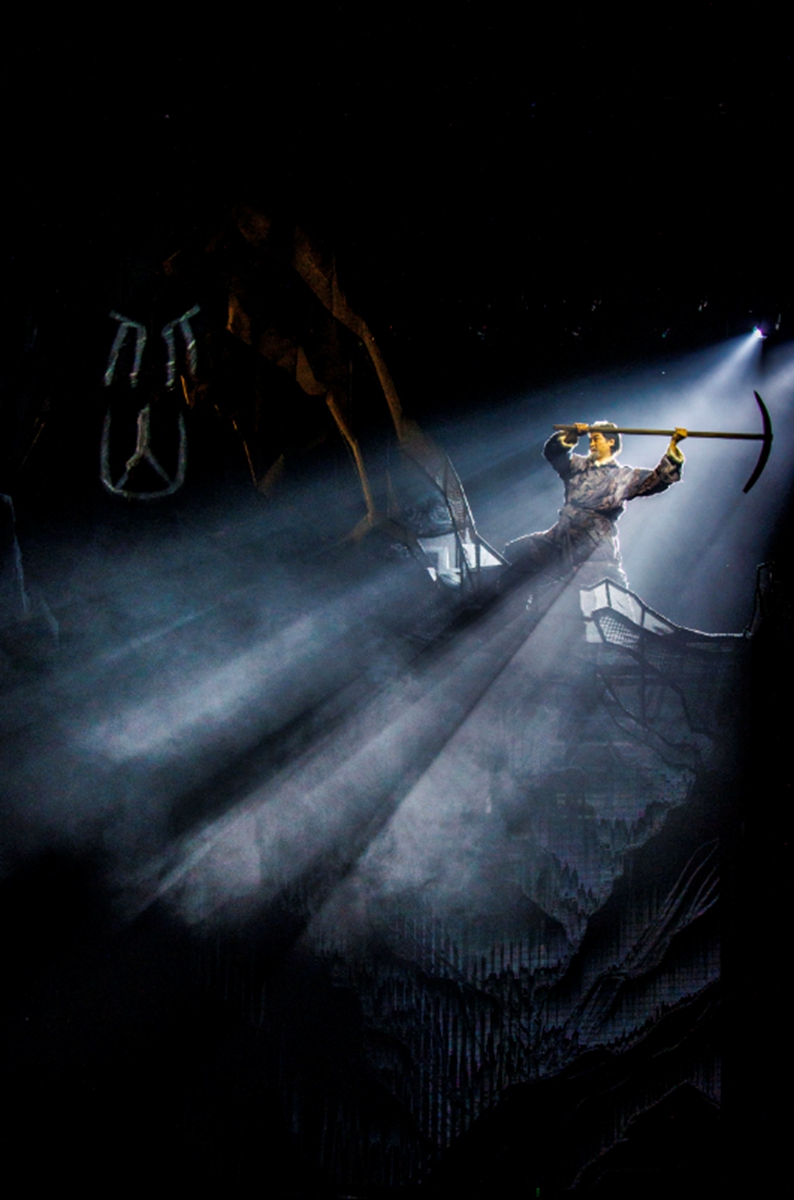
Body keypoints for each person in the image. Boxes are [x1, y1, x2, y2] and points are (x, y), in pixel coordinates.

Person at [504, 421, 688, 589]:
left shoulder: (623, 476)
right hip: (561, 534)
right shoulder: (576, 467)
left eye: (596, 439)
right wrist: (571, 436)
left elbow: (657, 480)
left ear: (610, 442)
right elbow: (554, 453)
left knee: (605, 586)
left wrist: (673, 447)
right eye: (591, 439)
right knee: (519, 552)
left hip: (593, 539)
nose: (591, 443)